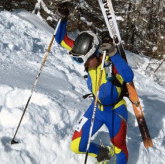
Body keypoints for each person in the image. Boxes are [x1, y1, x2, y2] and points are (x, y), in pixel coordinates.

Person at [55, 2, 134, 164]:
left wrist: (114, 54)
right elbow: (60, 40)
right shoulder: (87, 54)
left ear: (95, 55)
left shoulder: (111, 63)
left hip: (116, 112)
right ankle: (103, 153)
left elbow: (129, 76)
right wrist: (63, 19)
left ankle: (112, 151)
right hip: (96, 109)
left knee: (120, 149)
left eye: (84, 61)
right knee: (77, 145)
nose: (83, 65)